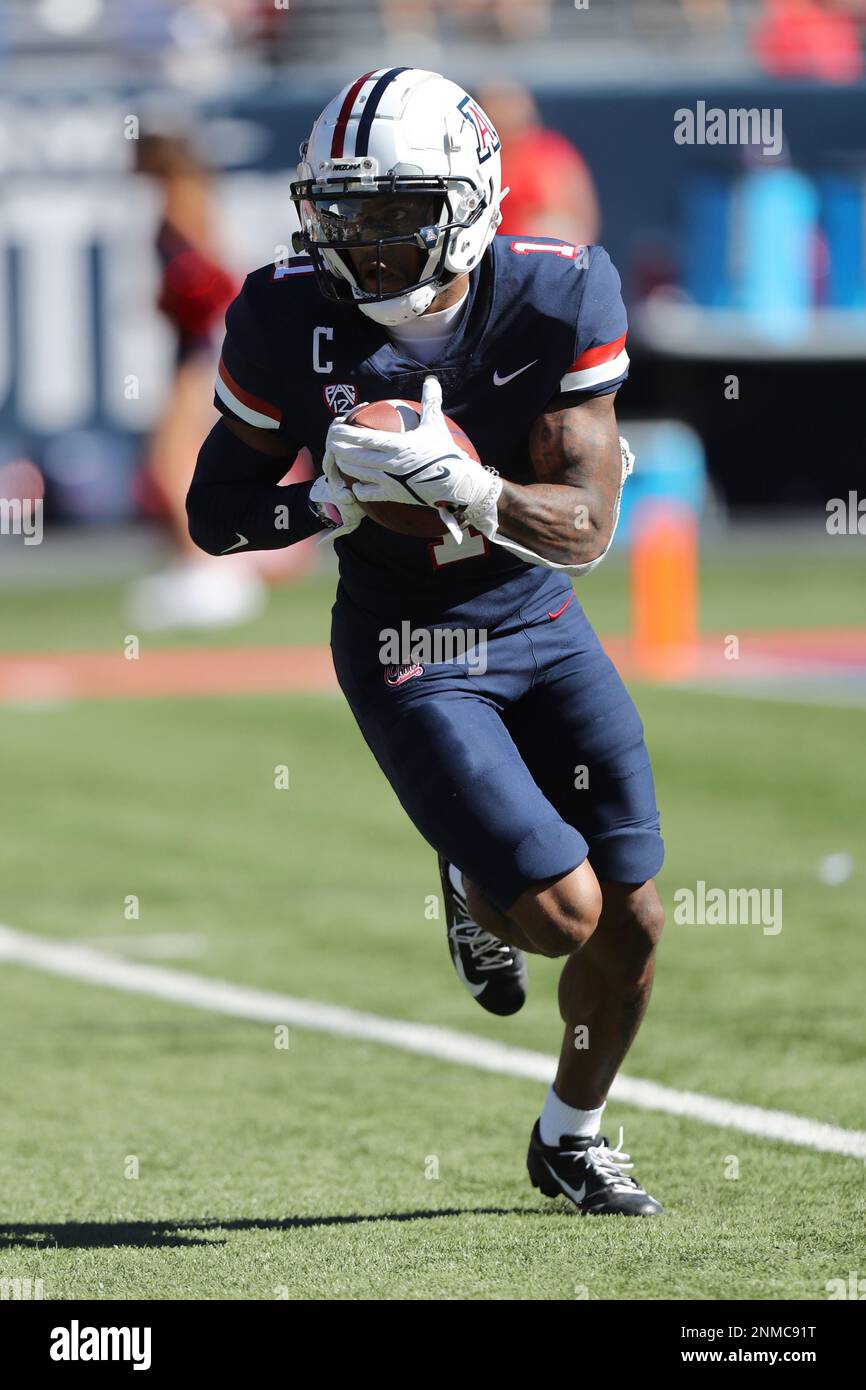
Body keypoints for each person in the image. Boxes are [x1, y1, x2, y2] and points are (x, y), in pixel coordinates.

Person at [186, 69, 665, 1216]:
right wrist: (327, 503)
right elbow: (214, 512)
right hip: (408, 638)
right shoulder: (283, 314)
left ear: (470, 197)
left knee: (637, 916)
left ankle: (571, 1133)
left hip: (537, 618)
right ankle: (472, 877)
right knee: (559, 914)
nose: (369, 238)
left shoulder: (555, 295)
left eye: (400, 209)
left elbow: (588, 530)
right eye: (345, 211)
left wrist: (475, 490)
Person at [130, 131, 267, 630]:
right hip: (188, 344)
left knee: (170, 458)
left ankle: (207, 568)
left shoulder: (183, 197)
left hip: (199, 346)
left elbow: (213, 276)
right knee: (175, 455)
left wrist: (175, 300)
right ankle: (199, 566)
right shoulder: (186, 194)